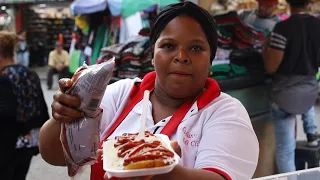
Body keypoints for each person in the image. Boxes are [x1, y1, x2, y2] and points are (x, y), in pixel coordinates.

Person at [39, 2, 259, 180]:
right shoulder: (121, 95)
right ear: (152, 56)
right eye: (168, 46)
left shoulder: (224, 112)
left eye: (196, 48)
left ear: (211, 61)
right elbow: (55, 155)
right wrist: (63, 116)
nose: (181, 56)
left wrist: (161, 169)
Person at [263, 0, 320, 173]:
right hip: (309, 94)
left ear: (288, 2)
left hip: (284, 97)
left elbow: (271, 66)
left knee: (286, 150)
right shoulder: (318, 26)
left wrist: (266, 47)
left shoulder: (282, 28)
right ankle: (311, 134)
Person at [0, 31, 49, 180]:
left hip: (7, 146)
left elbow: (5, 115)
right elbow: (42, 110)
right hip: (28, 144)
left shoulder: (3, 79)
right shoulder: (30, 74)